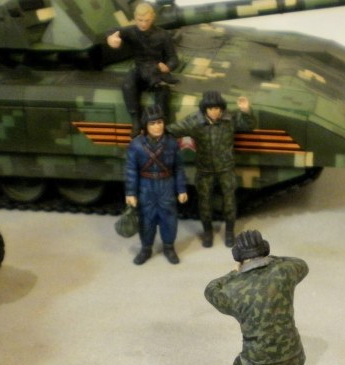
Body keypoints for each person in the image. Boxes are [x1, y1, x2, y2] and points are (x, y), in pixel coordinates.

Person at [204, 230, 308, 365]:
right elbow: (301, 264)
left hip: (257, 357)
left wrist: (234, 273)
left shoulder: (232, 289)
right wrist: (271, 260)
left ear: (238, 257)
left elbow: (210, 289)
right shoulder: (285, 271)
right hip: (292, 348)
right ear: (265, 250)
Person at [167, 91, 255, 248]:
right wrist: (152, 130)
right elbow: (173, 130)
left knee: (229, 201)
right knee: (204, 203)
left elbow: (249, 125)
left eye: (217, 108)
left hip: (226, 168)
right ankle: (207, 231)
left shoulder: (230, 119)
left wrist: (246, 110)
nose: (214, 112)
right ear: (205, 109)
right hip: (205, 170)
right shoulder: (195, 121)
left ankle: (229, 231)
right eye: (210, 109)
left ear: (221, 108)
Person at [125, 105, 188, 265]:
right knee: (146, 219)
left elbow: (178, 168)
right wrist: (131, 192)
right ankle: (146, 248)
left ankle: (169, 247)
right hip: (146, 187)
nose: (157, 126)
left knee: (169, 219)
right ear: (146, 126)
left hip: (166, 185)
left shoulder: (172, 143)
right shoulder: (136, 145)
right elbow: (131, 170)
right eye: (152, 123)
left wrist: (181, 189)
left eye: (159, 122)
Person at [107, 2, 179, 137]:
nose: (143, 24)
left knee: (163, 91)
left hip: (156, 70)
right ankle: (136, 121)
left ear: (153, 18)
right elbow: (113, 30)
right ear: (135, 18)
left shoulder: (163, 35)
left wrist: (168, 66)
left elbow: (173, 58)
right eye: (140, 20)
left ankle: (161, 123)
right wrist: (112, 38)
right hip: (140, 69)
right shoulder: (131, 32)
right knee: (128, 84)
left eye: (147, 20)